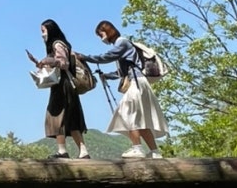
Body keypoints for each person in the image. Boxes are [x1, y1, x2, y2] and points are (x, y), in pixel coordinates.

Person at [77, 19, 168, 159]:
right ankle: (154, 152)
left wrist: (85, 57)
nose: (101, 38)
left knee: (127, 113)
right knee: (140, 119)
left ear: (106, 31)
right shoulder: (123, 44)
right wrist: (107, 76)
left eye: (101, 35)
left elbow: (108, 56)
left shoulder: (122, 42)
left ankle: (137, 148)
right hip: (140, 82)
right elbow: (123, 72)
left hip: (137, 83)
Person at [32, 19, 90, 160]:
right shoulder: (61, 44)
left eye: (43, 31)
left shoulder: (57, 44)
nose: (42, 35)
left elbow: (63, 63)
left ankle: (62, 150)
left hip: (62, 84)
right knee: (72, 117)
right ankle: (83, 151)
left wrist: (47, 61)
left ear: (50, 30)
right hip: (68, 85)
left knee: (56, 114)